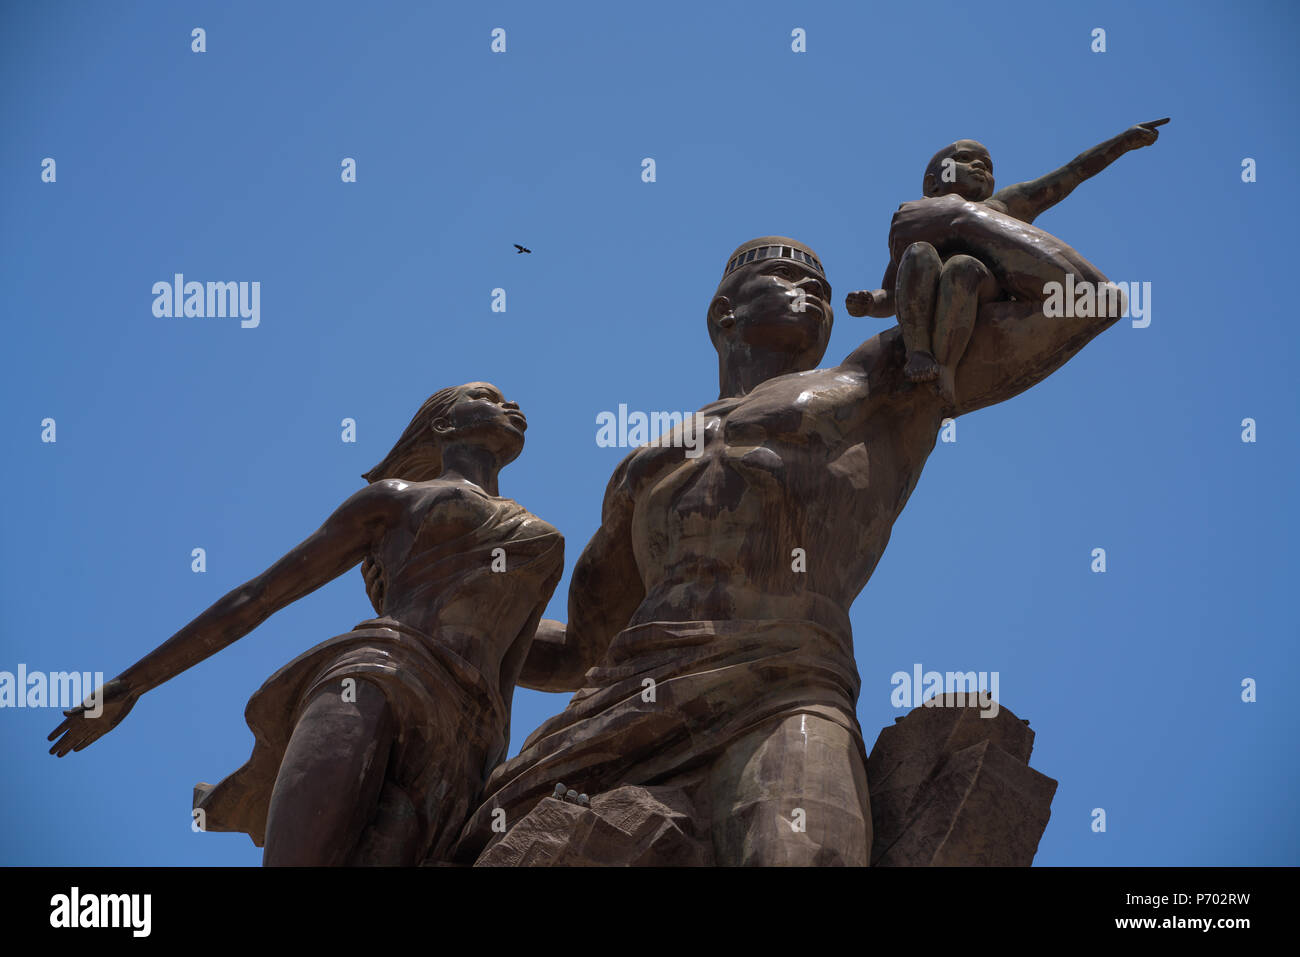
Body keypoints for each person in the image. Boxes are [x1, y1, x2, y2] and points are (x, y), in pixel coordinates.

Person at [462, 230, 1143, 865]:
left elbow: (1085, 301)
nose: (812, 292)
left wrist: (957, 218)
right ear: (722, 314)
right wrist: (454, 624)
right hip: (625, 700)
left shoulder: (881, 380)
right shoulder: (644, 463)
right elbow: (580, 647)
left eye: (821, 286)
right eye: (786, 275)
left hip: (787, 686)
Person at [49, 382, 563, 865]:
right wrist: (132, 685)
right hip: (379, 678)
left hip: (469, 744)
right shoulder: (397, 498)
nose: (509, 405)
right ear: (442, 427)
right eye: (485, 397)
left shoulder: (542, 540)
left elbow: (557, 655)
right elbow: (259, 596)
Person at [845, 120, 1168, 403]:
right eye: (964, 159)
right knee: (918, 253)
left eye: (987, 165)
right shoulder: (909, 222)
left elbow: (1068, 176)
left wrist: (1121, 143)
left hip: (979, 288)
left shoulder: (1000, 206)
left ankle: (945, 367)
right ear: (933, 182)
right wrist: (870, 302)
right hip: (926, 295)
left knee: (961, 267)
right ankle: (918, 353)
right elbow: (894, 291)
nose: (980, 167)